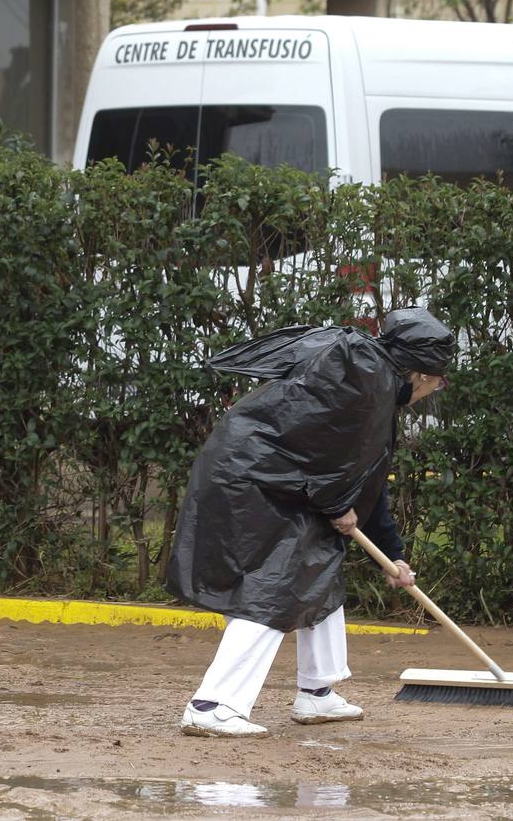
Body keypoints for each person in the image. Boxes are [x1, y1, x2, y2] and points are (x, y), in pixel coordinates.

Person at [166, 308, 456, 737]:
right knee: (275, 583)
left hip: (270, 480)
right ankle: (213, 704)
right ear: (421, 374)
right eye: (438, 381)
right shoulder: (364, 381)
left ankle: (316, 693)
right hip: (250, 480)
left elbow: (366, 483)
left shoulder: (372, 380)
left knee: (319, 559)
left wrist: (391, 557)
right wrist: (336, 504)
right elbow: (317, 449)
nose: (436, 389)